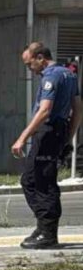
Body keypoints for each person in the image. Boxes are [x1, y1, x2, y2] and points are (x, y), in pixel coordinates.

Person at [12, 42, 82, 249]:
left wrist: (22, 137)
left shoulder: (51, 77)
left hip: (48, 131)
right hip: (59, 131)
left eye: (29, 63)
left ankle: (47, 231)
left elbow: (44, 111)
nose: (30, 69)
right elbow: (78, 109)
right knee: (36, 179)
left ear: (40, 57)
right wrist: (68, 138)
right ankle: (44, 228)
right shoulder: (69, 75)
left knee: (38, 181)